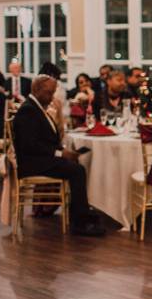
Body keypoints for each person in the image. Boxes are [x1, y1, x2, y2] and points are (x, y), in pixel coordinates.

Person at [11, 76, 104, 237]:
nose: (52, 97)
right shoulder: (28, 109)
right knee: (77, 171)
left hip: (39, 158)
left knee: (77, 165)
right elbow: (30, 145)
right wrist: (60, 153)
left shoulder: (37, 106)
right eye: (49, 93)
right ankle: (80, 222)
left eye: (53, 93)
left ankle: (82, 214)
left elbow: (44, 139)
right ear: (37, 90)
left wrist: (63, 151)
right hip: (31, 162)